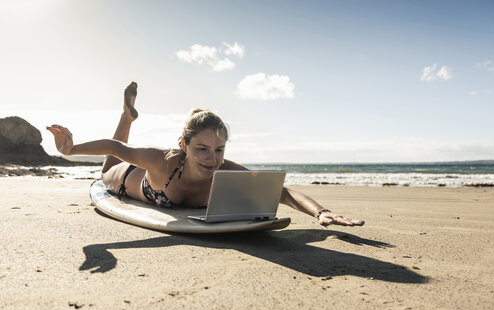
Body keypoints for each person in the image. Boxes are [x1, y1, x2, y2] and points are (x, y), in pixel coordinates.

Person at [47, 82, 364, 227]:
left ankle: (128, 117)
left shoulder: (225, 169)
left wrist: (321, 212)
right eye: (201, 149)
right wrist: (71, 150)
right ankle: (126, 117)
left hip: (157, 189)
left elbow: (281, 192)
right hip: (129, 181)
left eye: (219, 149)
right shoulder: (163, 160)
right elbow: (117, 149)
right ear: (184, 146)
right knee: (106, 170)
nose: (212, 159)